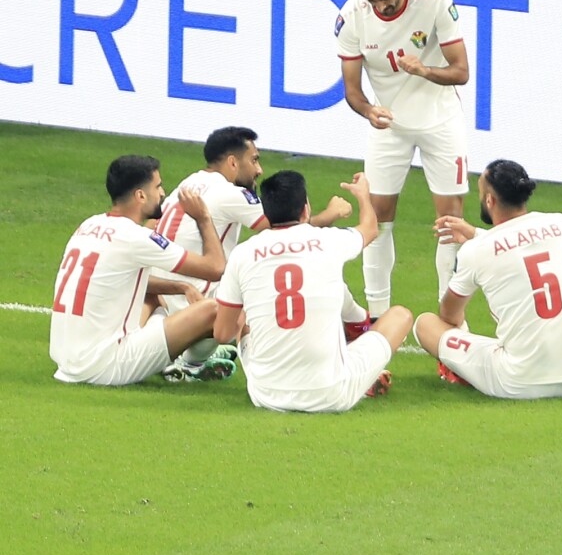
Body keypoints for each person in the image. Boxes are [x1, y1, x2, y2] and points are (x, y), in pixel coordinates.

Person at [149, 126, 363, 381]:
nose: (259, 170)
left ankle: (194, 353)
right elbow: (286, 230)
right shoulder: (230, 194)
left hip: (167, 296)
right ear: (232, 162)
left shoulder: (189, 183)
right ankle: (190, 362)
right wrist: (332, 213)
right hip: (194, 302)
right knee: (271, 293)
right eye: (254, 160)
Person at [213, 171, 413, 413]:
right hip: (332, 394)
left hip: (266, 394)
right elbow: (370, 229)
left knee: (241, 313)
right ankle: (363, 370)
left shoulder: (242, 254)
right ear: (305, 209)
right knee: (400, 316)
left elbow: (222, 333)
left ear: (266, 213)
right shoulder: (329, 240)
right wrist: (363, 195)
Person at [337, 0, 470, 317]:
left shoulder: (434, 0)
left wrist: (424, 70)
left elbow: (461, 71)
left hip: (441, 122)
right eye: (373, 0)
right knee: (377, 218)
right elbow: (352, 90)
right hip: (389, 127)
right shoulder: (352, 17)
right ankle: (377, 317)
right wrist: (368, 110)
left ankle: (451, 321)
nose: (382, 7)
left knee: (450, 222)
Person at [413, 160, 562, 400]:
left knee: (425, 324)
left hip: (518, 382)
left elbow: (449, 315)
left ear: (490, 200)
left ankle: (461, 370)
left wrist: (477, 243)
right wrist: (476, 234)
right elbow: (522, 246)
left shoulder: (477, 251)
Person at [50, 155, 228, 386]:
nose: (162, 193)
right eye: (158, 186)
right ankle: (190, 366)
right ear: (141, 195)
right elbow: (215, 268)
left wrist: (180, 286)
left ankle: (171, 358)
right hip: (105, 367)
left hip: (67, 361)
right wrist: (203, 218)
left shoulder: (88, 224)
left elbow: (114, 278)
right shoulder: (137, 237)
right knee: (213, 310)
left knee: (154, 298)